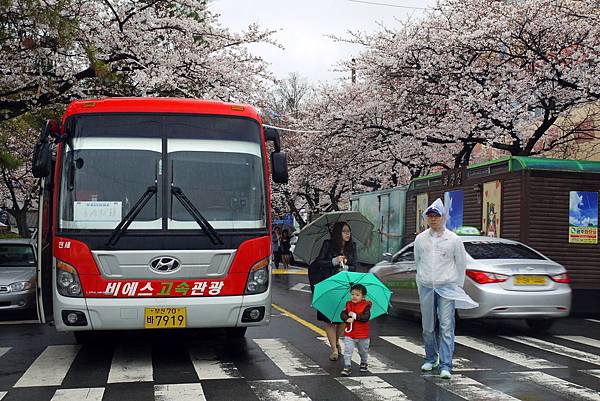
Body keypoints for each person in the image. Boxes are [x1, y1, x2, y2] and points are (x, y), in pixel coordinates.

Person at [414, 198, 478, 380]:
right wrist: (421, 281)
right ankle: (430, 358)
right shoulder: (421, 239)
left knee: (446, 326)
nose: (433, 219)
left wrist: (456, 285)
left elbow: (461, 263)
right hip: (426, 286)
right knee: (427, 326)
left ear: (443, 218)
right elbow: (418, 262)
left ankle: (446, 364)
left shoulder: (454, 239)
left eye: (437, 216)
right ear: (427, 219)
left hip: (446, 287)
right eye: (430, 216)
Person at [308, 221, 357, 361]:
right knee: (330, 320)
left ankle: (336, 341)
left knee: (343, 318)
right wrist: (334, 262)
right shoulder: (328, 245)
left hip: (345, 287)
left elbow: (355, 266)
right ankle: (334, 349)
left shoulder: (352, 247)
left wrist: (346, 267)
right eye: (345, 231)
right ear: (338, 233)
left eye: (349, 231)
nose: (348, 234)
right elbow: (318, 263)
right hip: (329, 285)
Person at [340, 284, 371, 376]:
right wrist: (346, 319)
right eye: (352, 294)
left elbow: (366, 317)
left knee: (363, 351)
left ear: (363, 296)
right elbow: (342, 314)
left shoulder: (366, 306)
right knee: (348, 350)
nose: (354, 296)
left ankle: (364, 362)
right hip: (350, 333)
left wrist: (355, 316)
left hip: (362, 334)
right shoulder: (348, 304)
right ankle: (347, 366)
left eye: (357, 295)